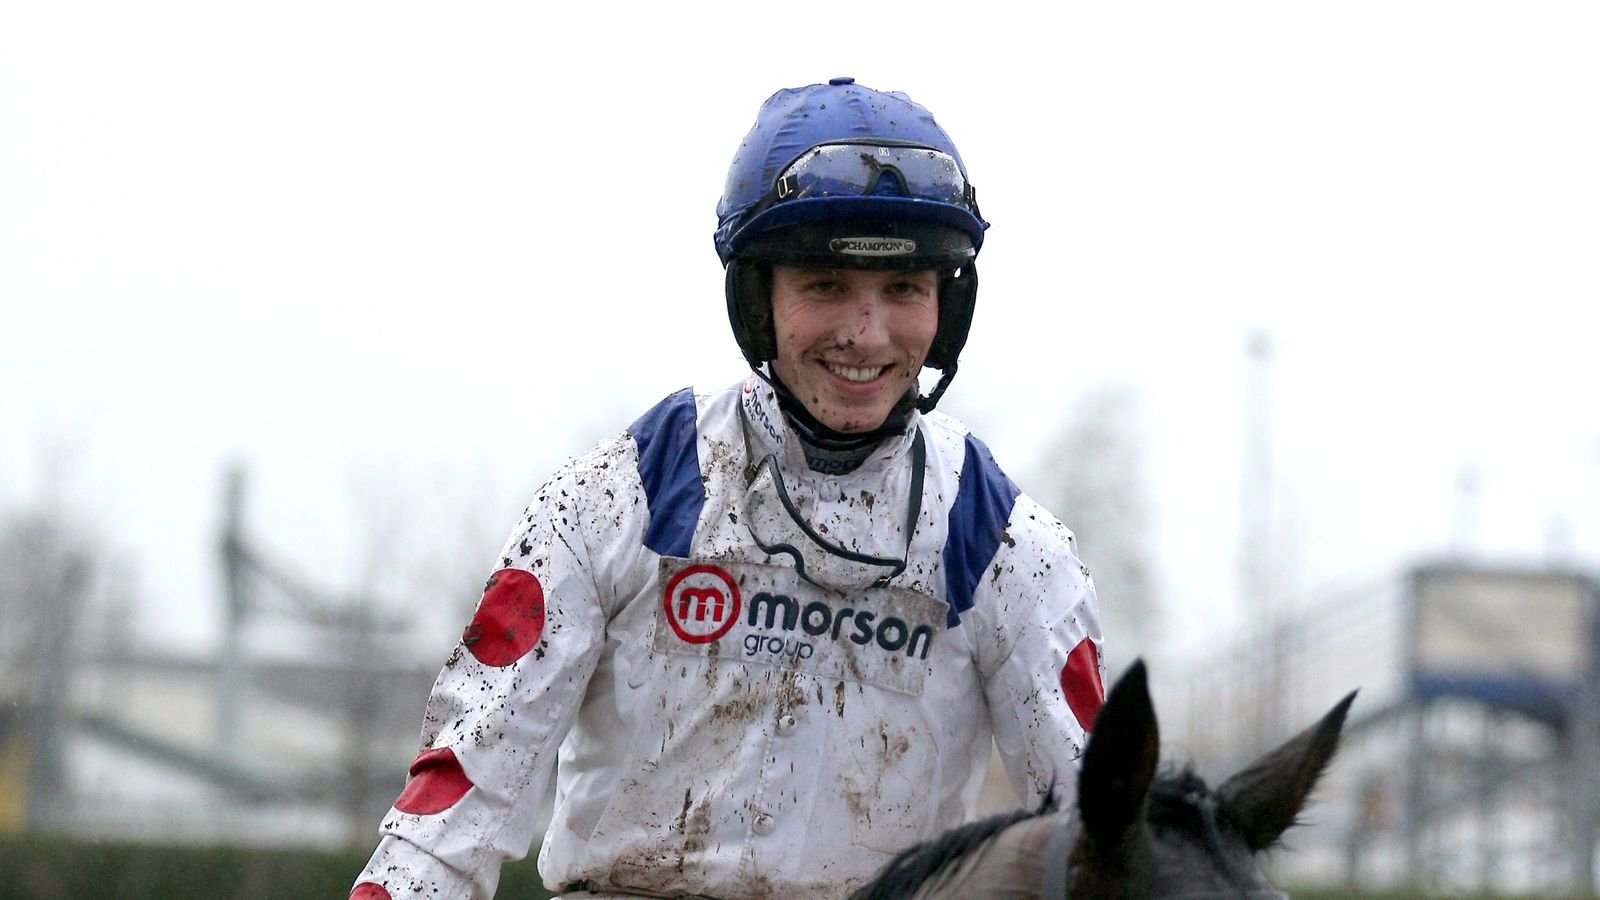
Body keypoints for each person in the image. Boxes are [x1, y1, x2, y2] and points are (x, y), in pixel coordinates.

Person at [351, 77, 1106, 900]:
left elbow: (1103, 831)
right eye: (825, 287)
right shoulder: (620, 496)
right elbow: (459, 799)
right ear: (757, 298)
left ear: (945, 307)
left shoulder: (1004, 545)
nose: (867, 333)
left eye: (904, 290)